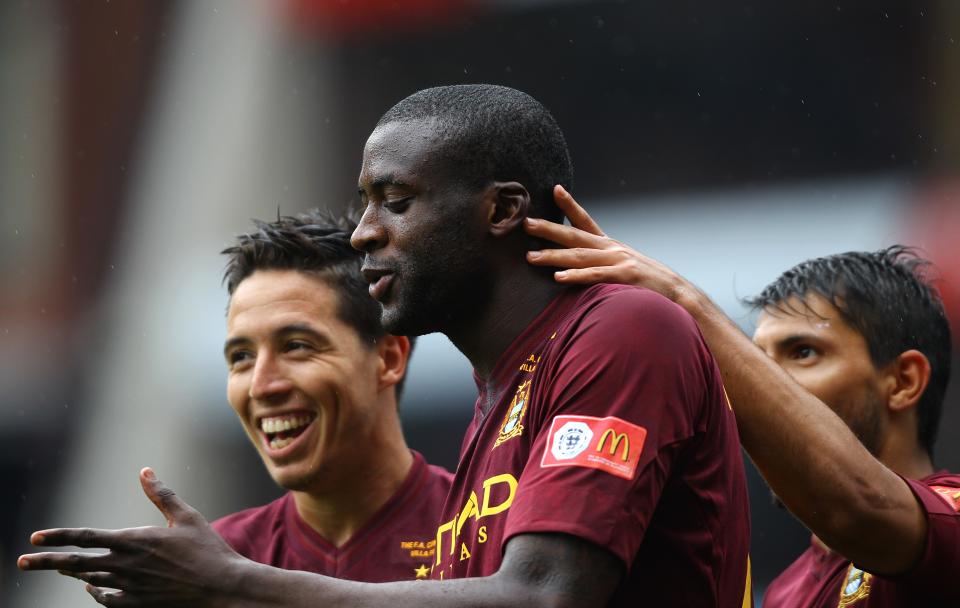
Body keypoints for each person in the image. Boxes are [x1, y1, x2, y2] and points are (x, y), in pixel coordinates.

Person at [19, 84, 752, 607]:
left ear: (500, 210)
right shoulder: (496, 406)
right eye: (238, 356)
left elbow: (544, 598)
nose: (365, 230)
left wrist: (234, 585)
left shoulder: (621, 327)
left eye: (395, 202)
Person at [521, 186, 960, 606]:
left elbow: (858, 508)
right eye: (758, 357)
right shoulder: (786, 590)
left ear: (903, 381)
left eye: (803, 352)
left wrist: (681, 301)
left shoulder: (952, 522)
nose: (760, 382)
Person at [212, 210, 452, 581]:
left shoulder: (490, 531)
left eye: (296, 346)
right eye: (241, 357)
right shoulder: (213, 564)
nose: (261, 385)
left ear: (388, 358)